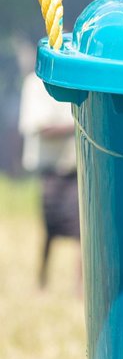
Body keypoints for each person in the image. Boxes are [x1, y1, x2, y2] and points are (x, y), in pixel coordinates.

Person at [18, 70, 80, 289]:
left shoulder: (74, 78)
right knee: (49, 227)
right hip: (51, 168)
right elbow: (41, 126)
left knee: (80, 229)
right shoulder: (35, 84)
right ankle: (42, 280)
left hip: (75, 166)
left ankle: (80, 286)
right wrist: (77, 124)